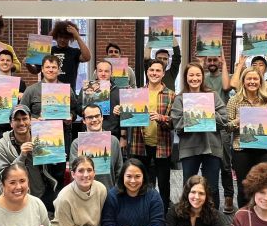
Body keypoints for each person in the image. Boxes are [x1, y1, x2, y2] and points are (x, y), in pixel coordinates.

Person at [170, 62, 228, 209]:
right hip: (189, 148)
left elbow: (224, 120)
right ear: (185, 77)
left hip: (212, 148)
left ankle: (213, 218)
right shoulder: (180, 98)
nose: (194, 78)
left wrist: (209, 113)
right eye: (191, 75)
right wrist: (193, 116)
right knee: (189, 187)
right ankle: (186, 217)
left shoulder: (212, 95)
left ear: (202, 77)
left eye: (198, 75)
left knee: (212, 187)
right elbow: (177, 124)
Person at [20, 54, 79, 193]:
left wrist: (71, 116)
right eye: (48, 67)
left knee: (59, 172)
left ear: (59, 70)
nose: (51, 70)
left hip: (61, 137)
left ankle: (56, 205)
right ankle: (42, 206)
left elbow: (75, 110)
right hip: (38, 138)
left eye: (54, 67)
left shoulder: (66, 90)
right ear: (42, 69)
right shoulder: (31, 90)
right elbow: (22, 113)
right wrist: (33, 120)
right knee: (39, 174)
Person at [226, 67, 267, 208]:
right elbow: (226, 126)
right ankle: (243, 219)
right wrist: (239, 121)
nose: (252, 81)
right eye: (249, 79)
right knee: (243, 186)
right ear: (243, 81)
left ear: (260, 81)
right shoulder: (234, 101)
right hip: (241, 149)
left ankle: (262, 218)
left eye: (255, 79)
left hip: (265, 149)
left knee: (265, 186)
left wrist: (265, 119)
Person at [126, 59, 175, 214]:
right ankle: (141, 209)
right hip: (140, 143)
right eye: (151, 70)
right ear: (147, 72)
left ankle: (164, 211)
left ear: (163, 73)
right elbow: (128, 118)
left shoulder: (171, 95)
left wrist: (162, 118)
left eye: (158, 71)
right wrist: (123, 109)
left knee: (163, 182)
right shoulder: (137, 93)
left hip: (162, 145)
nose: (154, 73)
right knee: (141, 179)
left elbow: (175, 122)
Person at [0, 104, 58, 213]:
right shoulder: (2, 145)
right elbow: (2, 174)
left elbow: (54, 168)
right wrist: (21, 156)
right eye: (17, 120)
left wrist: (57, 157)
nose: (21, 123)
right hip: (18, 196)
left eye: (25, 119)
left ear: (31, 120)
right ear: (11, 123)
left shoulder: (42, 136)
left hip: (43, 192)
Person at [50, 155, 108, 226]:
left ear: (94, 173)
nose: (86, 175)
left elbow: (102, 221)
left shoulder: (101, 189)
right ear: (73, 174)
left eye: (89, 170)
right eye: (81, 171)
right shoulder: (64, 197)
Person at [200, 52, 235, 214]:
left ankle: (228, 196)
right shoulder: (203, 77)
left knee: (225, 163)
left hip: (221, 125)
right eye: (209, 60)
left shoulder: (224, 77)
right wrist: (200, 63)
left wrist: (223, 61)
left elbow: (227, 87)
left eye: (215, 60)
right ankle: (208, 200)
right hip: (205, 127)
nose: (212, 62)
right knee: (209, 164)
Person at [26, 20, 91, 89]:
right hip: (48, 91)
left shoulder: (74, 52)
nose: (62, 40)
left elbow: (87, 57)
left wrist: (77, 37)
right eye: (60, 37)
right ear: (56, 36)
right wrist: (28, 64)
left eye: (66, 37)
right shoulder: (47, 51)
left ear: (70, 38)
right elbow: (35, 70)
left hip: (68, 92)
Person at [69, 104, 121, 188]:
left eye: (97, 116)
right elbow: (73, 173)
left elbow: (119, 170)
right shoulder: (76, 143)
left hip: (109, 194)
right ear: (84, 120)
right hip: (86, 194)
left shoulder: (114, 141)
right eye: (90, 117)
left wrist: (116, 193)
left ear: (102, 117)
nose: (94, 119)